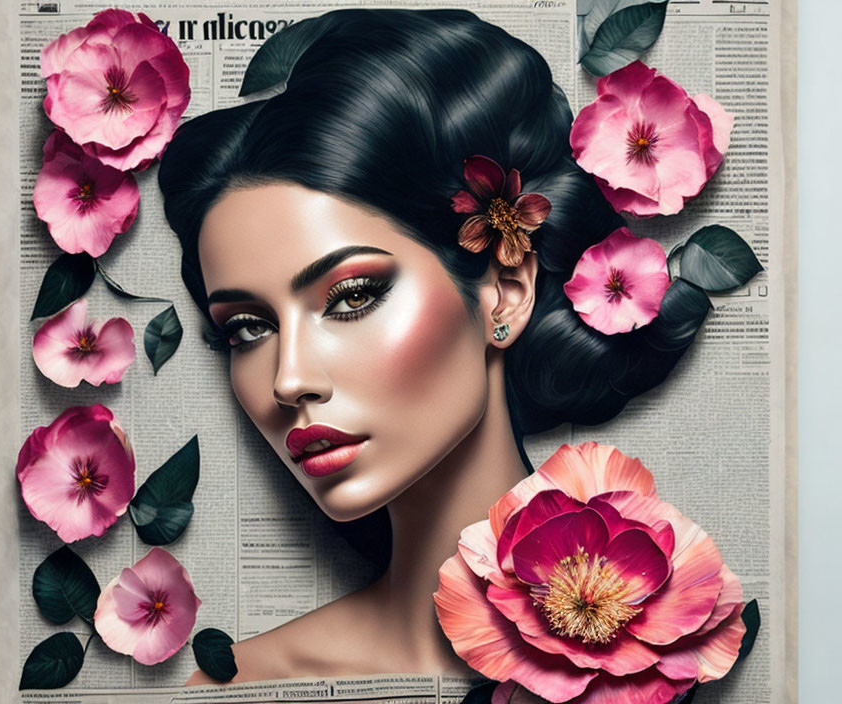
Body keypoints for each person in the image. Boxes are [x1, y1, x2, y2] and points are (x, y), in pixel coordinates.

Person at [158, 8, 704, 684]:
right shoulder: (240, 685)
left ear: (504, 292)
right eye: (247, 328)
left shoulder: (668, 639)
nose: (288, 380)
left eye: (351, 296)